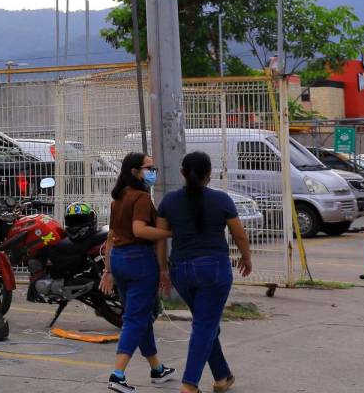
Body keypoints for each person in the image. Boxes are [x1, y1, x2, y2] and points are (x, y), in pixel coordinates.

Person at [156, 152, 253, 393]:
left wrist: (163, 269)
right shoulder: (222, 200)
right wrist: (246, 257)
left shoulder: (168, 201)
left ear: (182, 173)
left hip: (181, 270)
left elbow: (159, 240)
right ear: (209, 175)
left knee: (207, 324)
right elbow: (239, 234)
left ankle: (222, 376)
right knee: (205, 325)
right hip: (213, 269)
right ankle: (190, 384)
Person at [100, 152, 175, 393]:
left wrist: (108, 269)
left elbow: (111, 237)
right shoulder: (141, 198)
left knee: (140, 315)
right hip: (139, 261)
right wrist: (170, 233)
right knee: (135, 318)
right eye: (149, 168)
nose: (153, 172)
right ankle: (117, 375)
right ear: (134, 172)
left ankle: (157, 368)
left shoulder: (118, 199)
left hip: (120, 261)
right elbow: (140, 230)